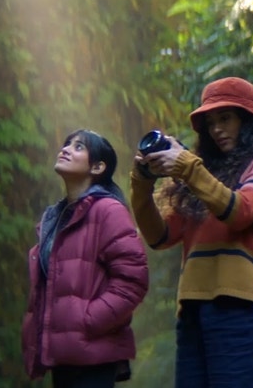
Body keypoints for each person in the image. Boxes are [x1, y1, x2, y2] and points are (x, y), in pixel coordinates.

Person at [130, 76, 253, 387]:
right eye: (210, 123)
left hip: (242, 302)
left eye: (225, 118)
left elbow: (242, 210)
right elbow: (159, 236)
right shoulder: (200, 176)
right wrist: (142, 182)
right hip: (192, 307)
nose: (217, 129)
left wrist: (189, 168)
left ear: (248, 121)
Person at [22, 129, 149, 388]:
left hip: (93, 355)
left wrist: (87, 321)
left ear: (98, 167)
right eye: (66, 144)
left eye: (78, 147)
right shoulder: (56, 218)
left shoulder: (108, 211)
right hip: (63, 356)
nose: (65, 149)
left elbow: (133, 281)